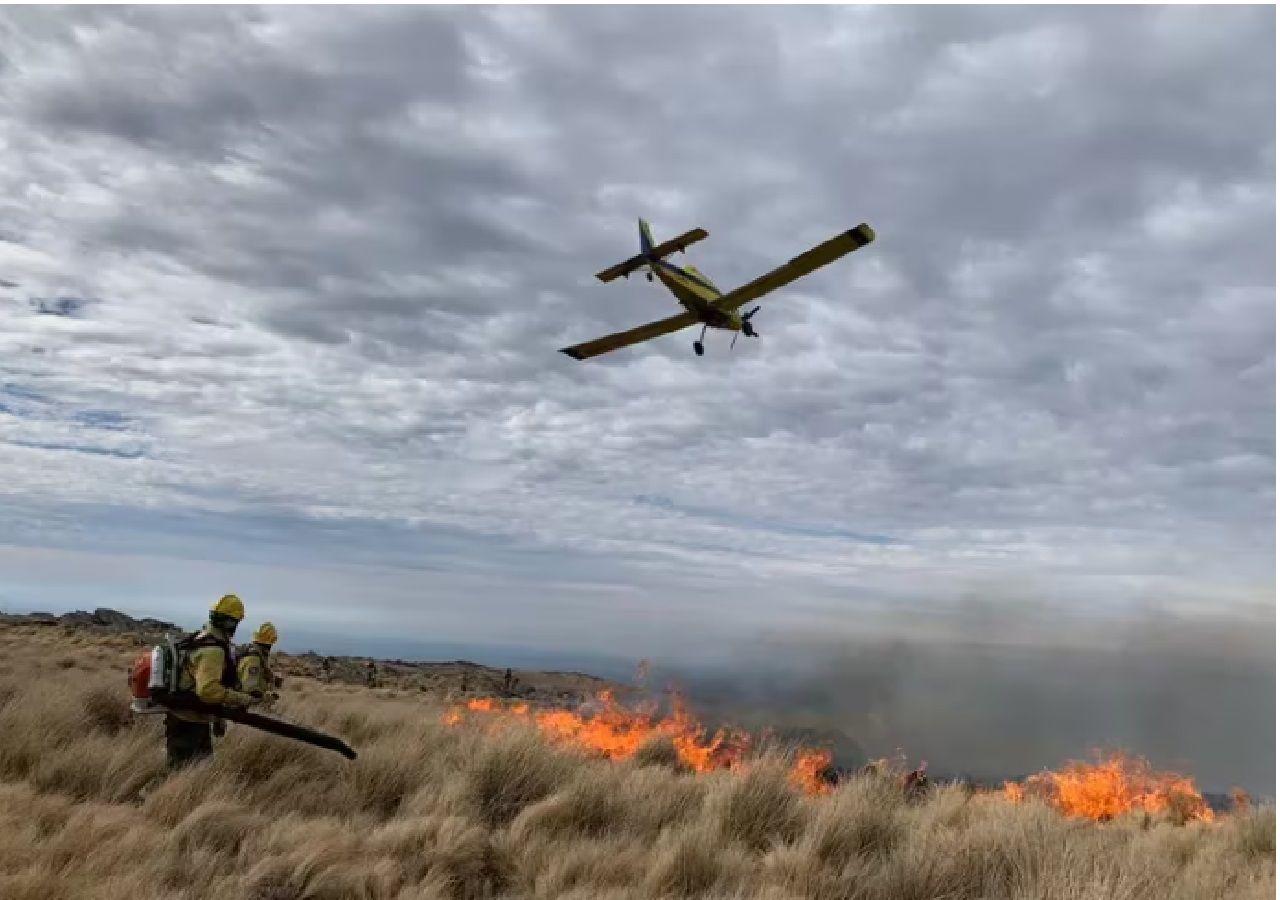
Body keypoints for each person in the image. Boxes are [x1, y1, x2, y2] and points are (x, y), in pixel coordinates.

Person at [164, 594, 260, 770]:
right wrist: (243, 699)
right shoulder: (214, 650)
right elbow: (207, 690)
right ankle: (148, 796)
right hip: (189, 720)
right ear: (231, 622)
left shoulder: (202, 637)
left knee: (198, 772)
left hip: (191, 717)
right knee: (181, 773)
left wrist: (217, 718)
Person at [238, 622, 282, 709]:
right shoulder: (254, 659)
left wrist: (273, 678)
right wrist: (267, 697)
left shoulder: (254, 653)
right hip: (238, 705)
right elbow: (250, 690)